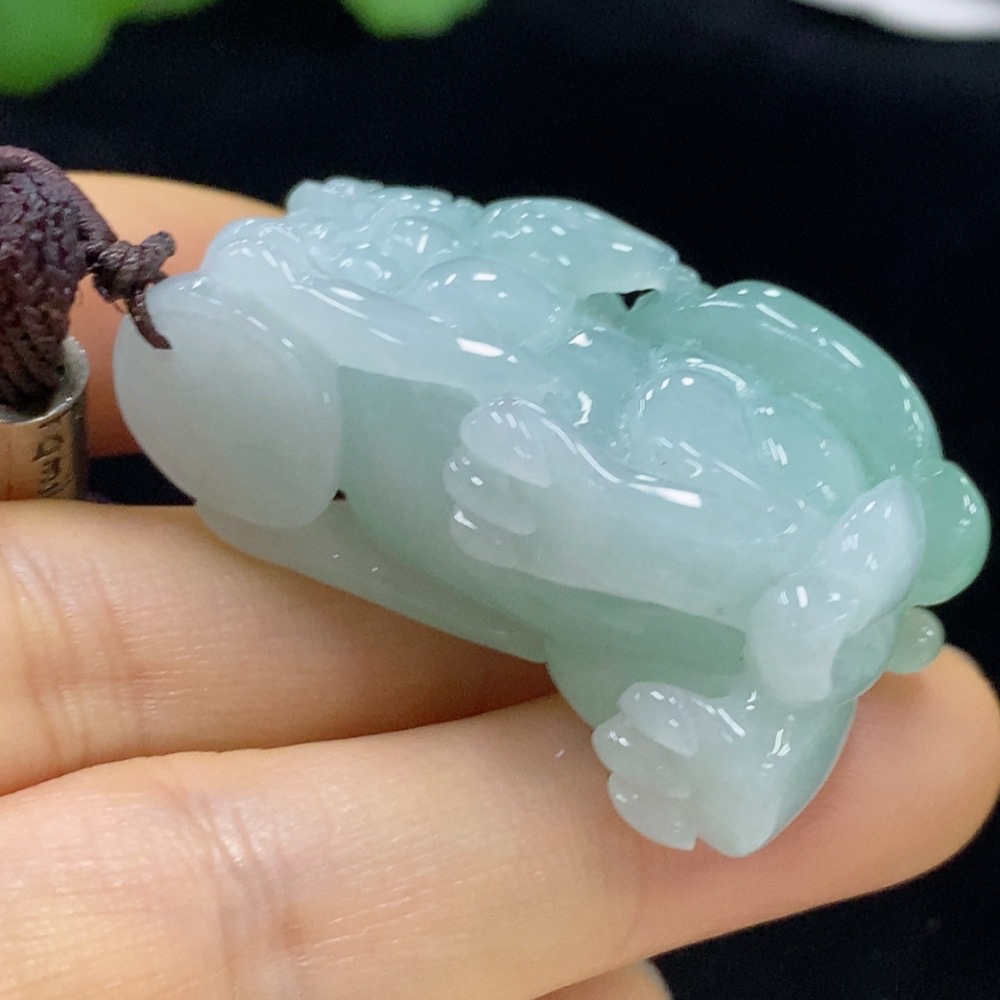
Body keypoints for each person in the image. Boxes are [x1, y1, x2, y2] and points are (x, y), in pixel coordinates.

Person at [0, 172, 996, 1000]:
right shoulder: (346, 406)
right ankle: (753, 708)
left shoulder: (510, 292)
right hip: (598, 580)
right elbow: (372, 503)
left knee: (662, 542)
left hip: (683, 463)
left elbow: (565, 295)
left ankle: (760, 670)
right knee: (621, 613)